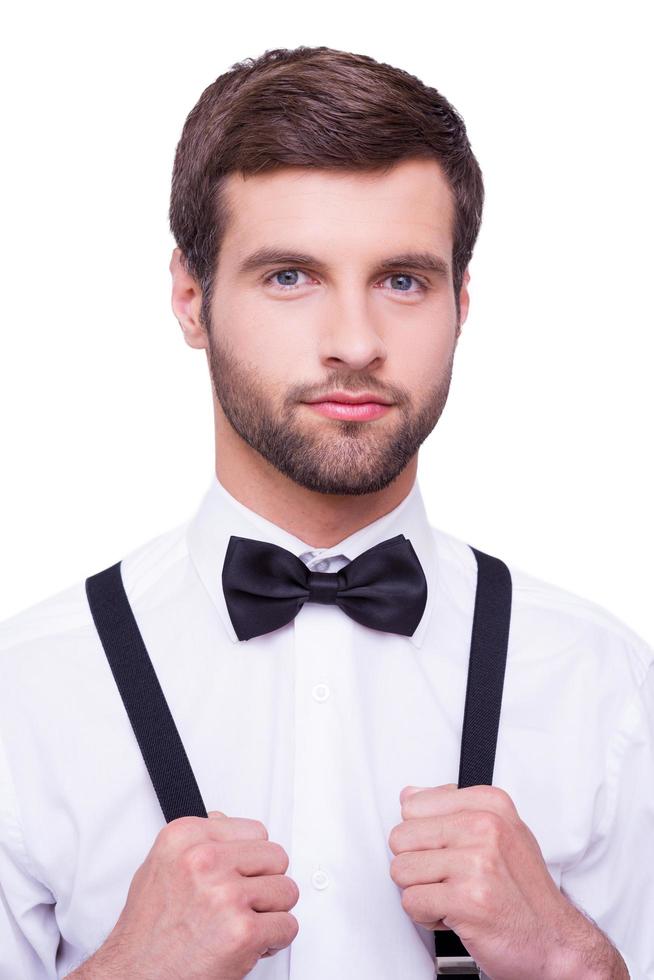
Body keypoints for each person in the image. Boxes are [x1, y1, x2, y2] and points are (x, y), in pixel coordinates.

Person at [0, 44, 652, 980]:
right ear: (190, 297)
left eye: (402, 280)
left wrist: (569, 958)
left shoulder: (608, 687)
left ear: (462, 302)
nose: (355, 343)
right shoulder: (22, 697)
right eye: (290, 276)